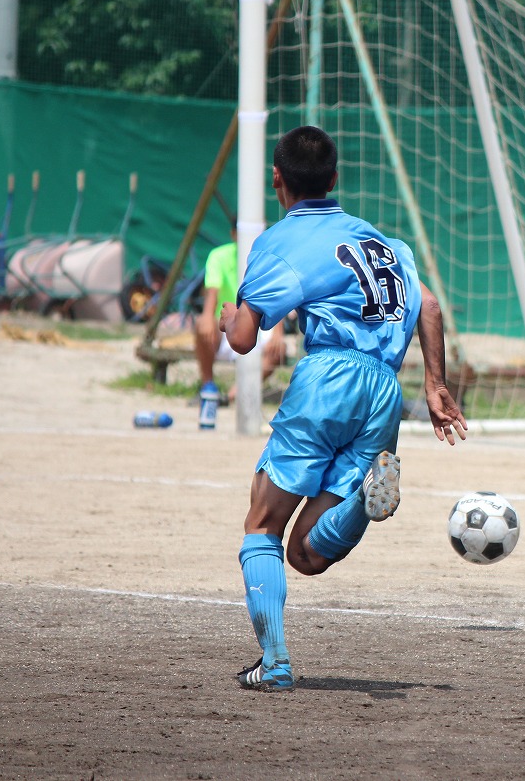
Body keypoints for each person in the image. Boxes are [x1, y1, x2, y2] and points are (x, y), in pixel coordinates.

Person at [220, 126, 469, 691]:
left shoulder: (280, 240)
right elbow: (427, 304)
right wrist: (435, 385)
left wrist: (226, 320)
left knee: (262, 527)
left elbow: (241, 340)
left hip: (327, 379)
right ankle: (362, 502)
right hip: (384, 391)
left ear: (277, 180)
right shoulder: (383, 243)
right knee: (308, 555)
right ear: (334, 181)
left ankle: (275, 663)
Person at [194, 226, 286, 403]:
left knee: (277, 348)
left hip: (255, 325)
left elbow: (278, 298)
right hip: (230, 323)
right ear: (233, 234)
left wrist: (278, 332)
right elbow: (212, 293)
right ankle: (208, 388)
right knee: (204, 323)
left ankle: (234, 394)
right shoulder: (220, 256)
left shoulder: (270, 258)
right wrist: (209, 316)